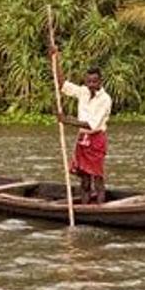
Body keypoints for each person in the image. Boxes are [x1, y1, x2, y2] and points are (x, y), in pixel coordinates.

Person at [52, 57, 112, 204]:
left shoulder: (105, 99)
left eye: (94, 81)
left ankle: (100, 208)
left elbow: (92, 125)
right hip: (83, 139)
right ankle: (84, 207)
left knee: (97, 177)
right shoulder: (83, 92)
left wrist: (66, 120)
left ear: (100, 82)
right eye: (88, 81)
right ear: (85, 81)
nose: (91, 85)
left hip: (96, 139)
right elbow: (62, 84)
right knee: (84, 179)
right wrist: (56, 58)